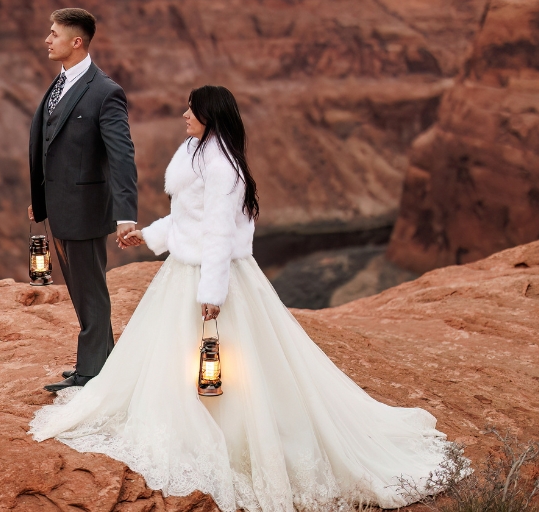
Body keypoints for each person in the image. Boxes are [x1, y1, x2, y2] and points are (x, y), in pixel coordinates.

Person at [30, 85, 454, 511]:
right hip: (184, 269)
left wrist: (211, 293)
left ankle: (227, 432)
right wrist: (151, 235)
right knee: (182, 357)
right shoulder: (200, 153)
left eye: (190, 111)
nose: (182, 116)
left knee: (225, 362)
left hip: (211, 274)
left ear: (209, 117)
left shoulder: (222, 168)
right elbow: (188, 218)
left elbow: (217, 235)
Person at [28, 8, 138, 393]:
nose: (47, 39)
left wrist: (126, 215)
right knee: (82, 291)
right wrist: (39, 198)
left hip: (87, 211)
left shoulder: (105, 92)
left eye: (54, 34)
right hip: (60, 209)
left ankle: (92, 373)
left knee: (90, 292)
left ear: (76, 41)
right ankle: (102, 364)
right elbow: (50, 146)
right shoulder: (59, 84)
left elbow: (122, 156)